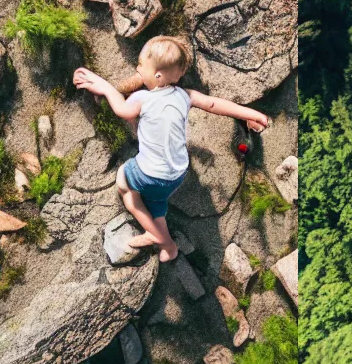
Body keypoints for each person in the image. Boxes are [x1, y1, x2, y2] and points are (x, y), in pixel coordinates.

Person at [72, 36, 271, 262]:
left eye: (140, 65)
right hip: (176, 174)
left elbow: (122, 110)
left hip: (149, 173)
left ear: (156, 76)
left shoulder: (142, 98)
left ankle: (162, 240)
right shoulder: (186, 96)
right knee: (156, 202)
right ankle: (169, 250)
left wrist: (104, 86)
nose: (137, 69)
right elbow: (215, 104)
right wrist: (253, 114)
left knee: (126, 188)